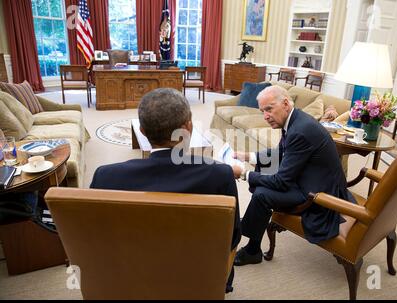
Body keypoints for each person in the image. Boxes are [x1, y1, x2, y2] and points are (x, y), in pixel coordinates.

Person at [90, 88, 241, 292]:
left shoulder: (105, 176)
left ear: (141, 131)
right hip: (197, 275)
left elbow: (98, 236)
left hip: (130, 273)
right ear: (188, 127)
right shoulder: (221, 175)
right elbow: (232, 237)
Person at [231, 85, 353, 266]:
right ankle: (254, 221)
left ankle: (252, 250)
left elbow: (281, 182)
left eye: (269, 109)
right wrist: (248, 156)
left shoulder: (301, 130)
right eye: (263, 111)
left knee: (262, 194)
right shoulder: (294, 120)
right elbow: (280, 151)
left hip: (318, 194)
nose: (265, 116)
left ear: (286, 104)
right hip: (310, 178)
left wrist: (243, 174)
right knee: (262, 174)